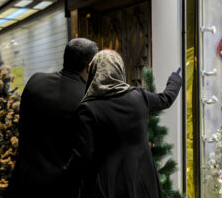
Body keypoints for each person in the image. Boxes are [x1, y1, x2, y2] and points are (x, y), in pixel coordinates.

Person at [65, 49, 182, 198]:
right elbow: (166, 99)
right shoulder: (138, 96)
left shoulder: (88, 109)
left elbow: (82, 155)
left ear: (94, 72)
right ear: (119, 70)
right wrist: (175, 79)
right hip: (144, 181)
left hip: (108, 185)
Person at [5, 38, 98, 198]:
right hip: (58, 189)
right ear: (89, 66)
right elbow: (84, 153)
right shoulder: (86, 99)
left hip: (22, 183)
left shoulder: (35, 81)